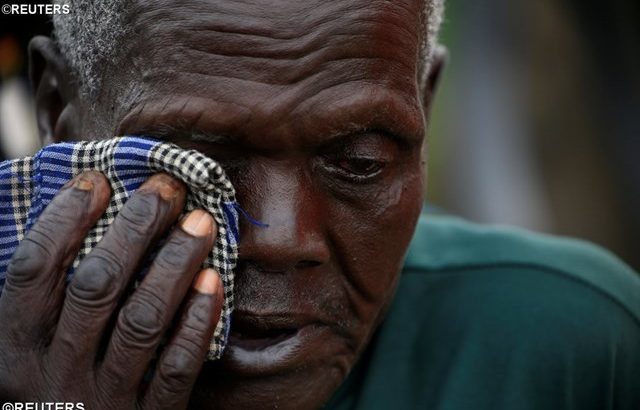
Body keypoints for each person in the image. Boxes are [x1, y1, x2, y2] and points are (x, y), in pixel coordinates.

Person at [0, 0, 638, 409]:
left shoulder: (568, 348)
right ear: (61, 114)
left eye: (359, 163)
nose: (280, 238)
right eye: (199, 164)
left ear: (426, 107)